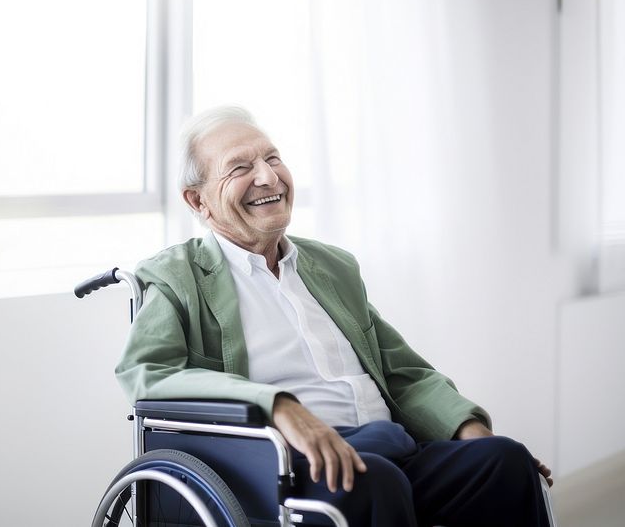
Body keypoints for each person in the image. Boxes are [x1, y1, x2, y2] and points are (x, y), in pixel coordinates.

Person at [116, 106, 553, 527]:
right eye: (239, 168)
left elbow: (402, 373)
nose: (268, 177)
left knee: (504, 462)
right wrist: (277, 405)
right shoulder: (179, 276)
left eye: (273, 158)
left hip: (390, 449)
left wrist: (469, 429)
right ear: (198, 200)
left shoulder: (332, 267)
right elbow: (146, 372)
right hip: (286, 470)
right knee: (373, 483)